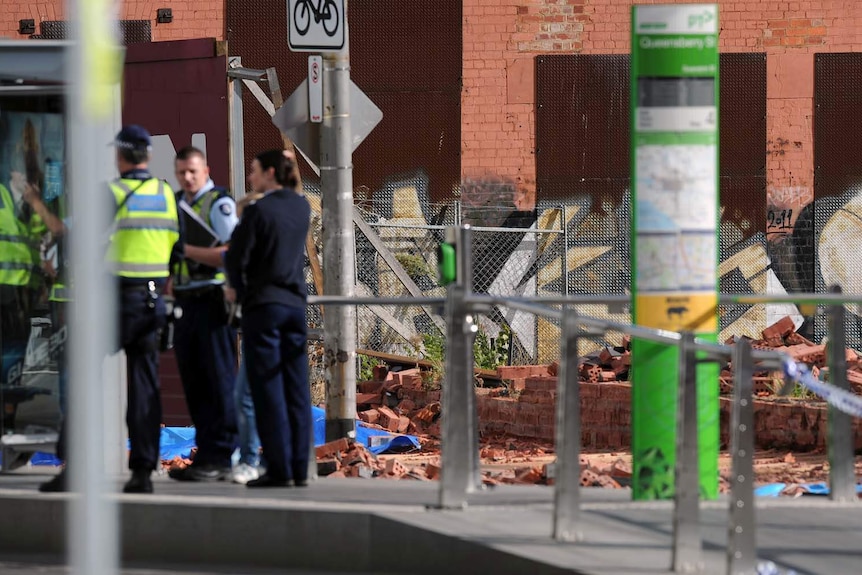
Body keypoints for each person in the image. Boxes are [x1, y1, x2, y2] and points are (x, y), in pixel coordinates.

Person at [39, 124, 179, 494]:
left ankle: (74, 467)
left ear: (119, 157)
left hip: (114, 300)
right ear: (147, 156)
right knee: (145, 387)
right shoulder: (165, 194)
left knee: (83, 381)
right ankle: (143, 473)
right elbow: (174, 247)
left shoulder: (111, 193)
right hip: (152, 301)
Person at [225, 149, 310, 488]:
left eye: (254, 170)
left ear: (270, 172)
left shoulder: (259, 212)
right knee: (297, 388)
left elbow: (236, 257)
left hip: (264, 307)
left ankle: (278, 468)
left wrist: (237, 291)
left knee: (268, 390)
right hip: (295, 307)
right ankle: (300, 468)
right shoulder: (301, 206)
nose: (250, 177)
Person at [167, 146, 239, 482]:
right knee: (194, 380)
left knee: (218, 379)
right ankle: (206, 455)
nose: (187, 178)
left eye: (193, 172)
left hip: (212, 299)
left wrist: (187, 250)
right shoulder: (178, 203)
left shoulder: (218, 204)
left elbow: (232, 253)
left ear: (206, 171)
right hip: (185, 300)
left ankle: (222, 456)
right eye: (182, 172)